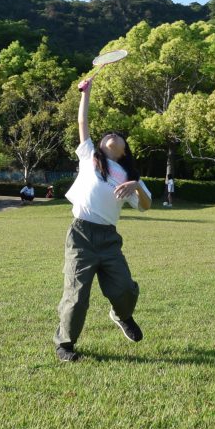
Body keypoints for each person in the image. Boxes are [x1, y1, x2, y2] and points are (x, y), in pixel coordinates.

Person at [54, 75, 151, 362]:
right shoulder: (90, 157)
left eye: (118, 136)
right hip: (81, 234)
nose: (112, 136)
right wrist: (86, 92)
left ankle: (121, 315)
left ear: (124, 149)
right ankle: (65, 346)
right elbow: (83, 124)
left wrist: (136, 187)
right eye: (108, 134)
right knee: (77, 294)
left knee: (124, 288)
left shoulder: (130, 176)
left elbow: (146, 206)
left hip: (108, 238)